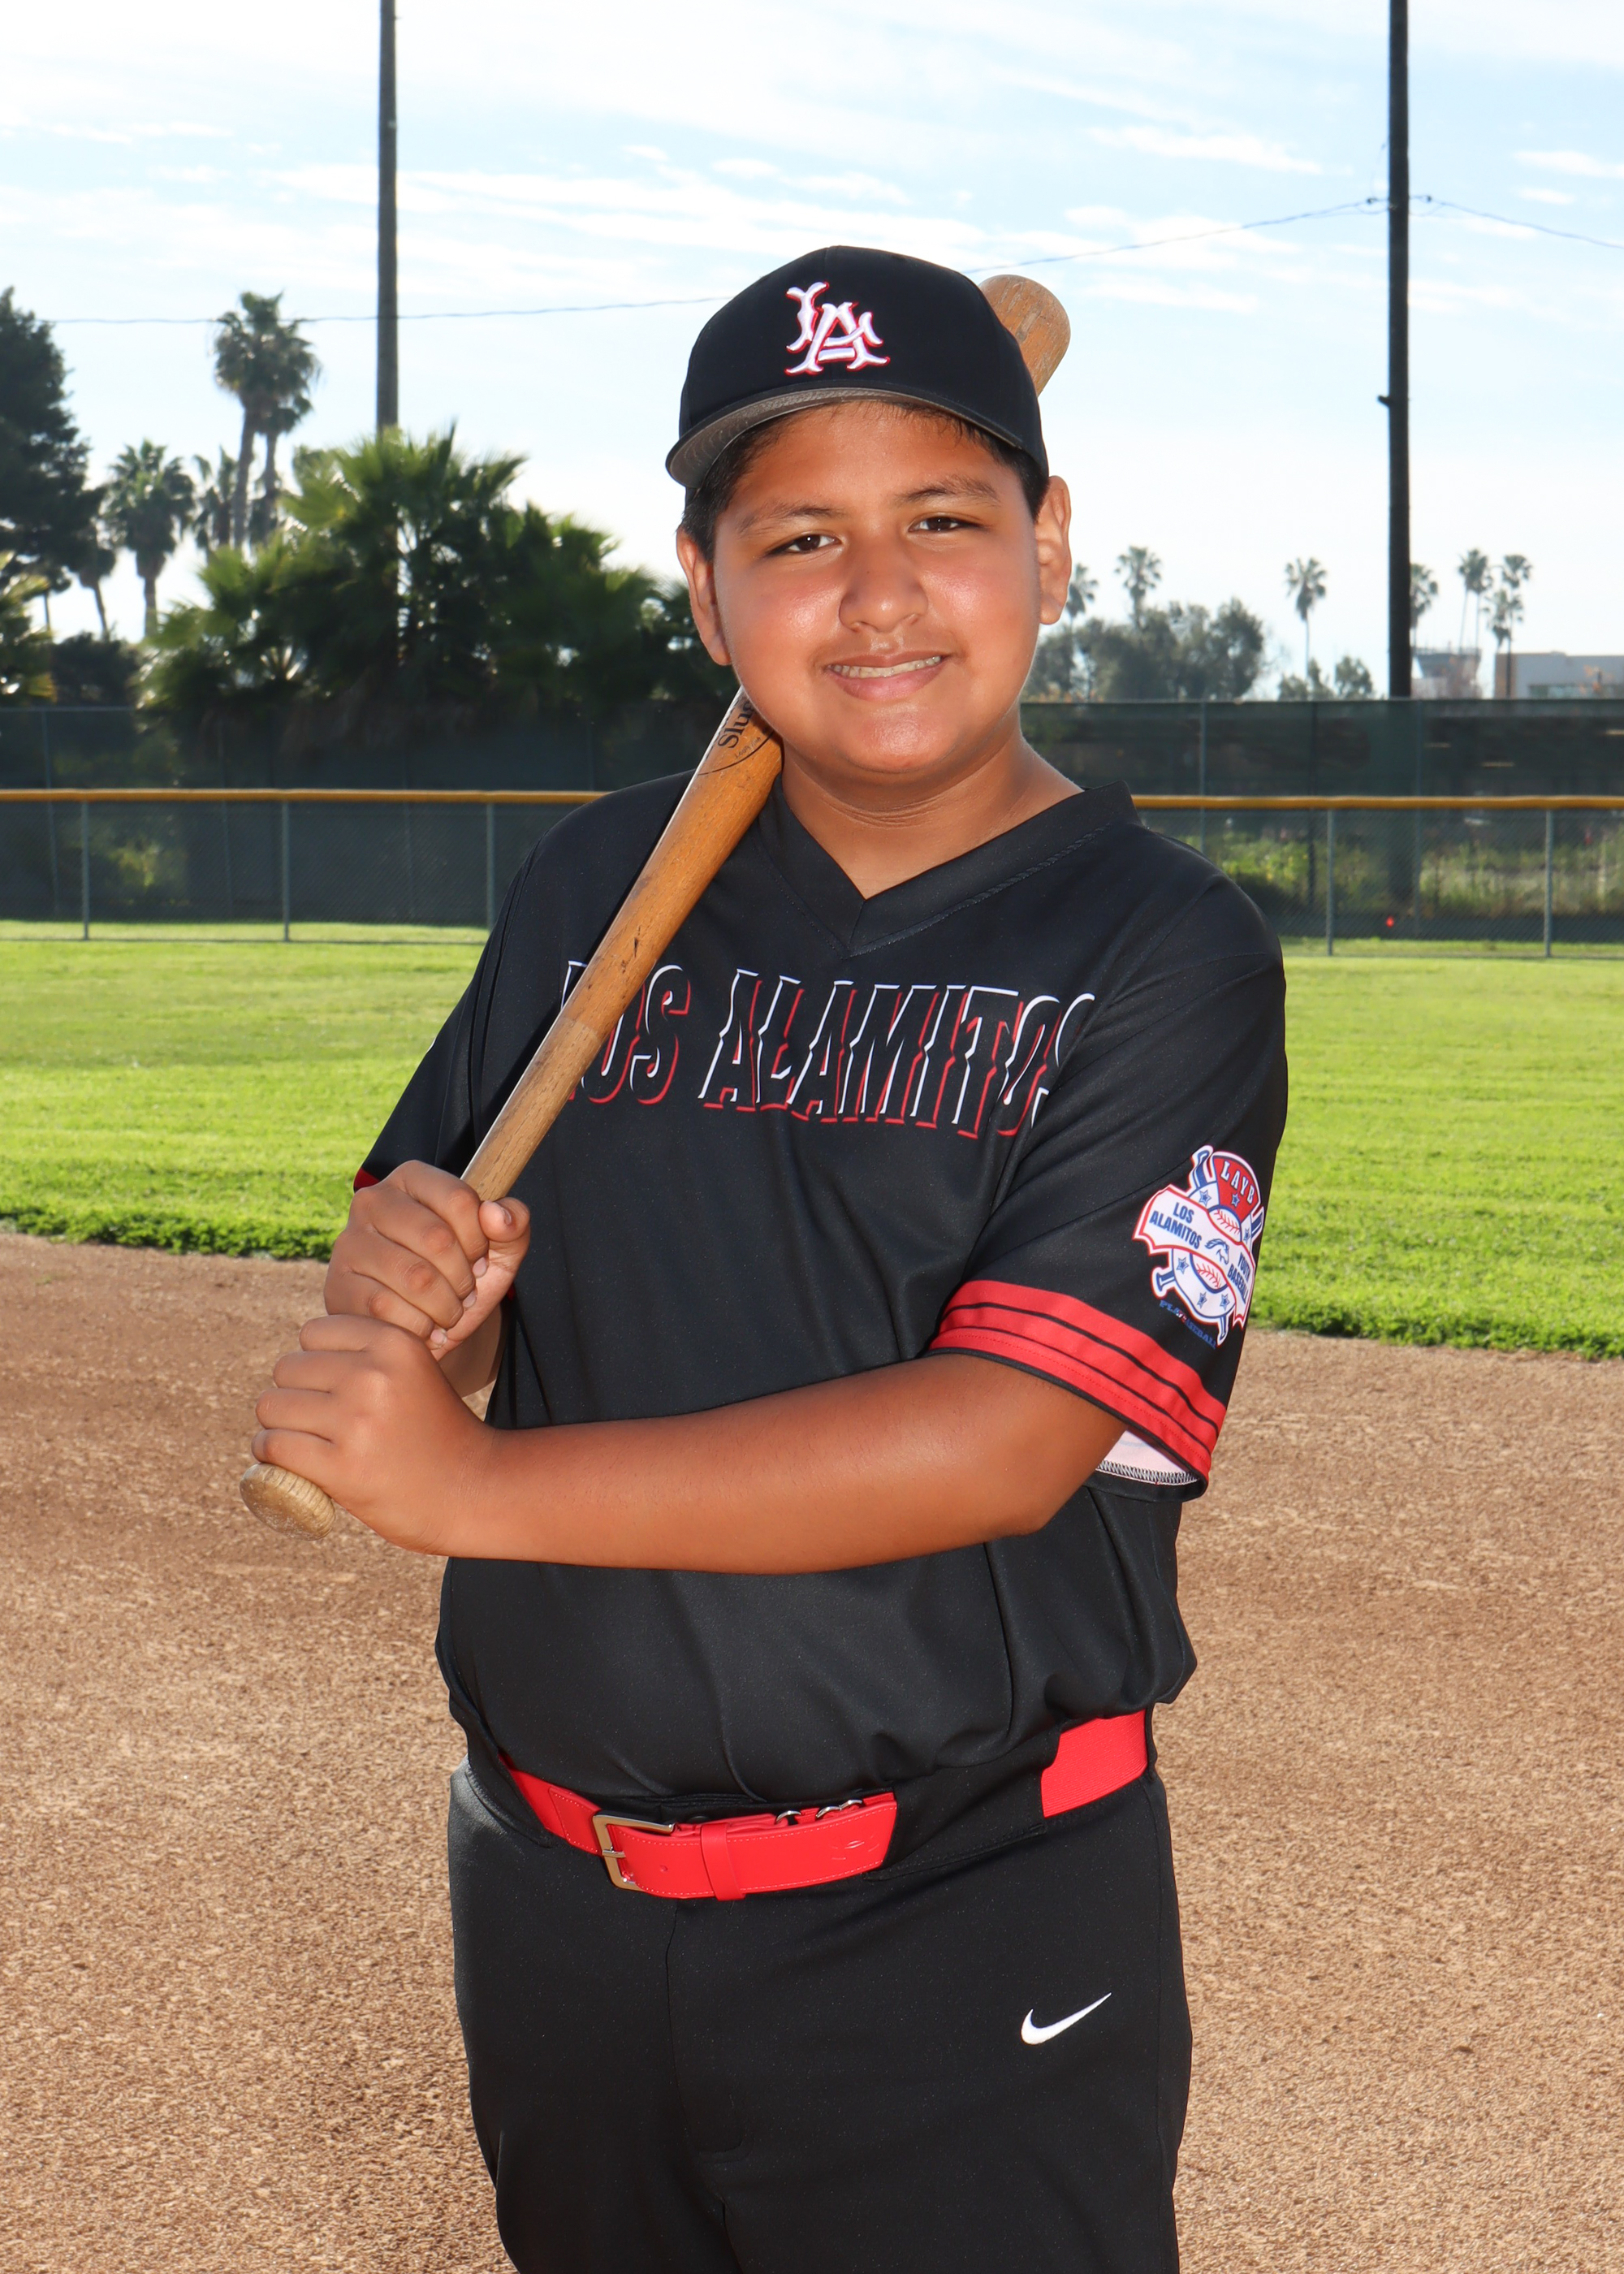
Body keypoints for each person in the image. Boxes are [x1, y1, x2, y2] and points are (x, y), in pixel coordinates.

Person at [253, 245, 1287, 2274]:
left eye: (943, 520)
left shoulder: (1156, 947)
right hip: (554, 1896)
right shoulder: (596, 881)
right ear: (707, 589)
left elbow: (1007, 1435)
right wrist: (421, 1303)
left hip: (956, 1915)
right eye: (800, 537)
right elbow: (447, 1286)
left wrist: (465, 1485)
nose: (877, 593)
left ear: (1050, 546)